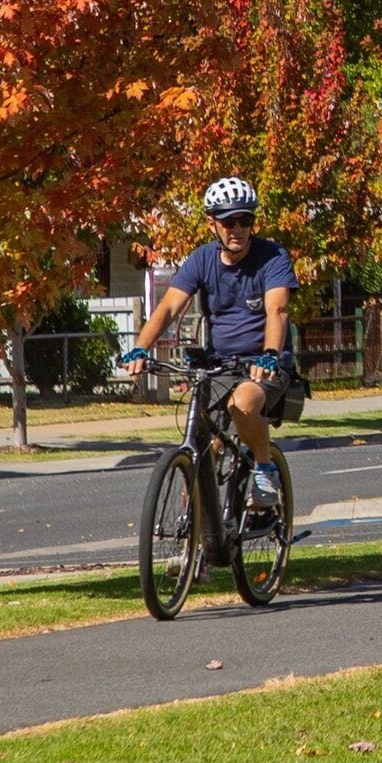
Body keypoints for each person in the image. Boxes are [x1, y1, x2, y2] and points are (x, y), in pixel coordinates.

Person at [121, 177, 299, 518]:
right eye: (228, 221)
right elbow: (168, 308)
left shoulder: (272, 256)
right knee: (202, 456)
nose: (238, 229)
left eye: (245, 220)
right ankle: (196, 553)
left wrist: (270, 354)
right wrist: (140, 348)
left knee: (244, 402)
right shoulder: (202, 260)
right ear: (212, 223)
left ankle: (264, 469)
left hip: (264, 363)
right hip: (218, 365)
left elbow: (277, 310)